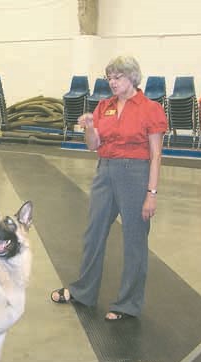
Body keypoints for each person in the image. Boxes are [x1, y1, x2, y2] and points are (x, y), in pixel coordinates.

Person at [50, 56, 167, 321]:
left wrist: (152, 193)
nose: (113, 83)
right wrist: (90, 127)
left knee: (134, 241)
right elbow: (93, 145)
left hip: (136, 174)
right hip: (105, 171)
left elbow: (156, 155)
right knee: (93, 234)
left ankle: (128, 303)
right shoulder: (104, 107)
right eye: (110, 78)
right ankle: (83, 291)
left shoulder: (150, 109)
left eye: (118, 77)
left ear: (132, 77)